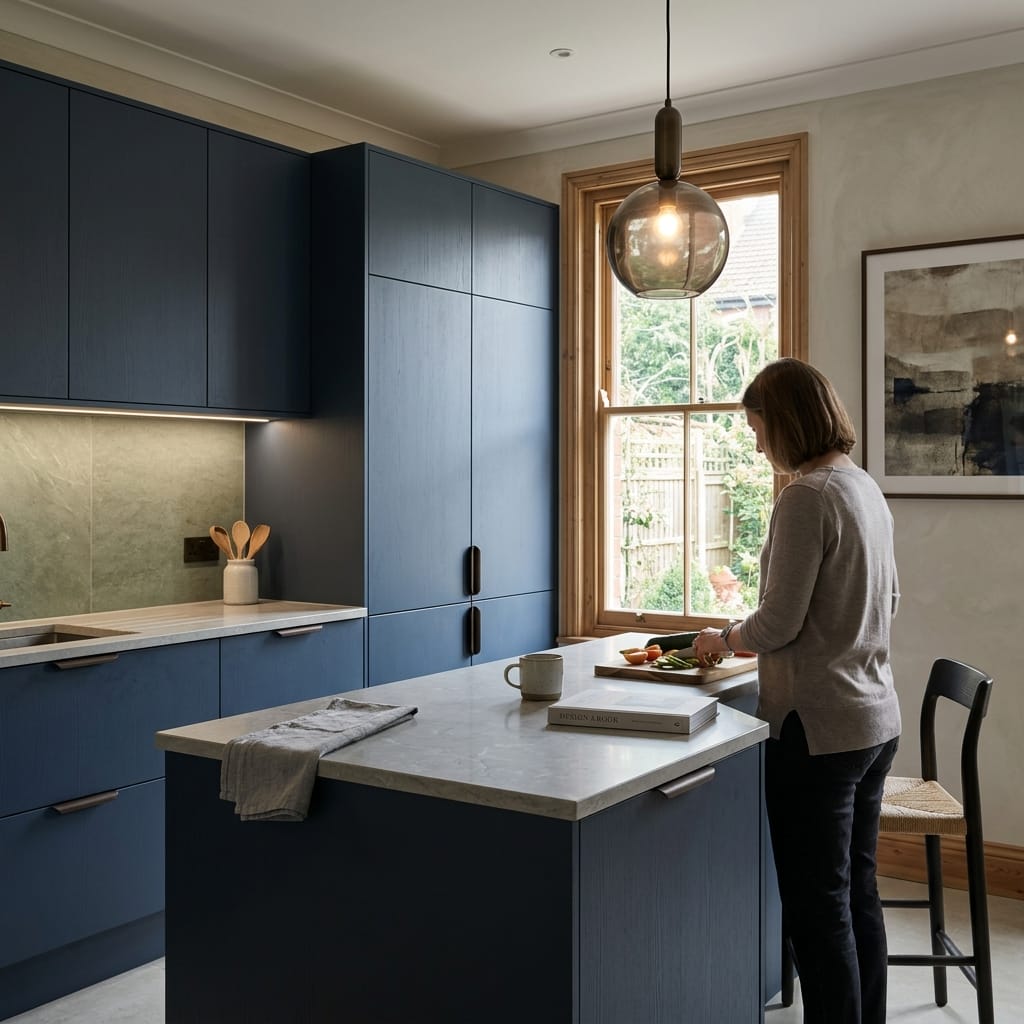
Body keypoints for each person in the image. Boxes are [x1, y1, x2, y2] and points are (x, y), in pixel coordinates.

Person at [693, 357, 901, 1024]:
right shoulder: (862, 486)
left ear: (785, 422)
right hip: (873, 722)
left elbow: (777, 623)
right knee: (855, 894)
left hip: (815, 728)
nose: (758, 445)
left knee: (817, 909)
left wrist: (721, 638)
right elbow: (889, 599)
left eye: (758, 429)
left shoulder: (807, 496)